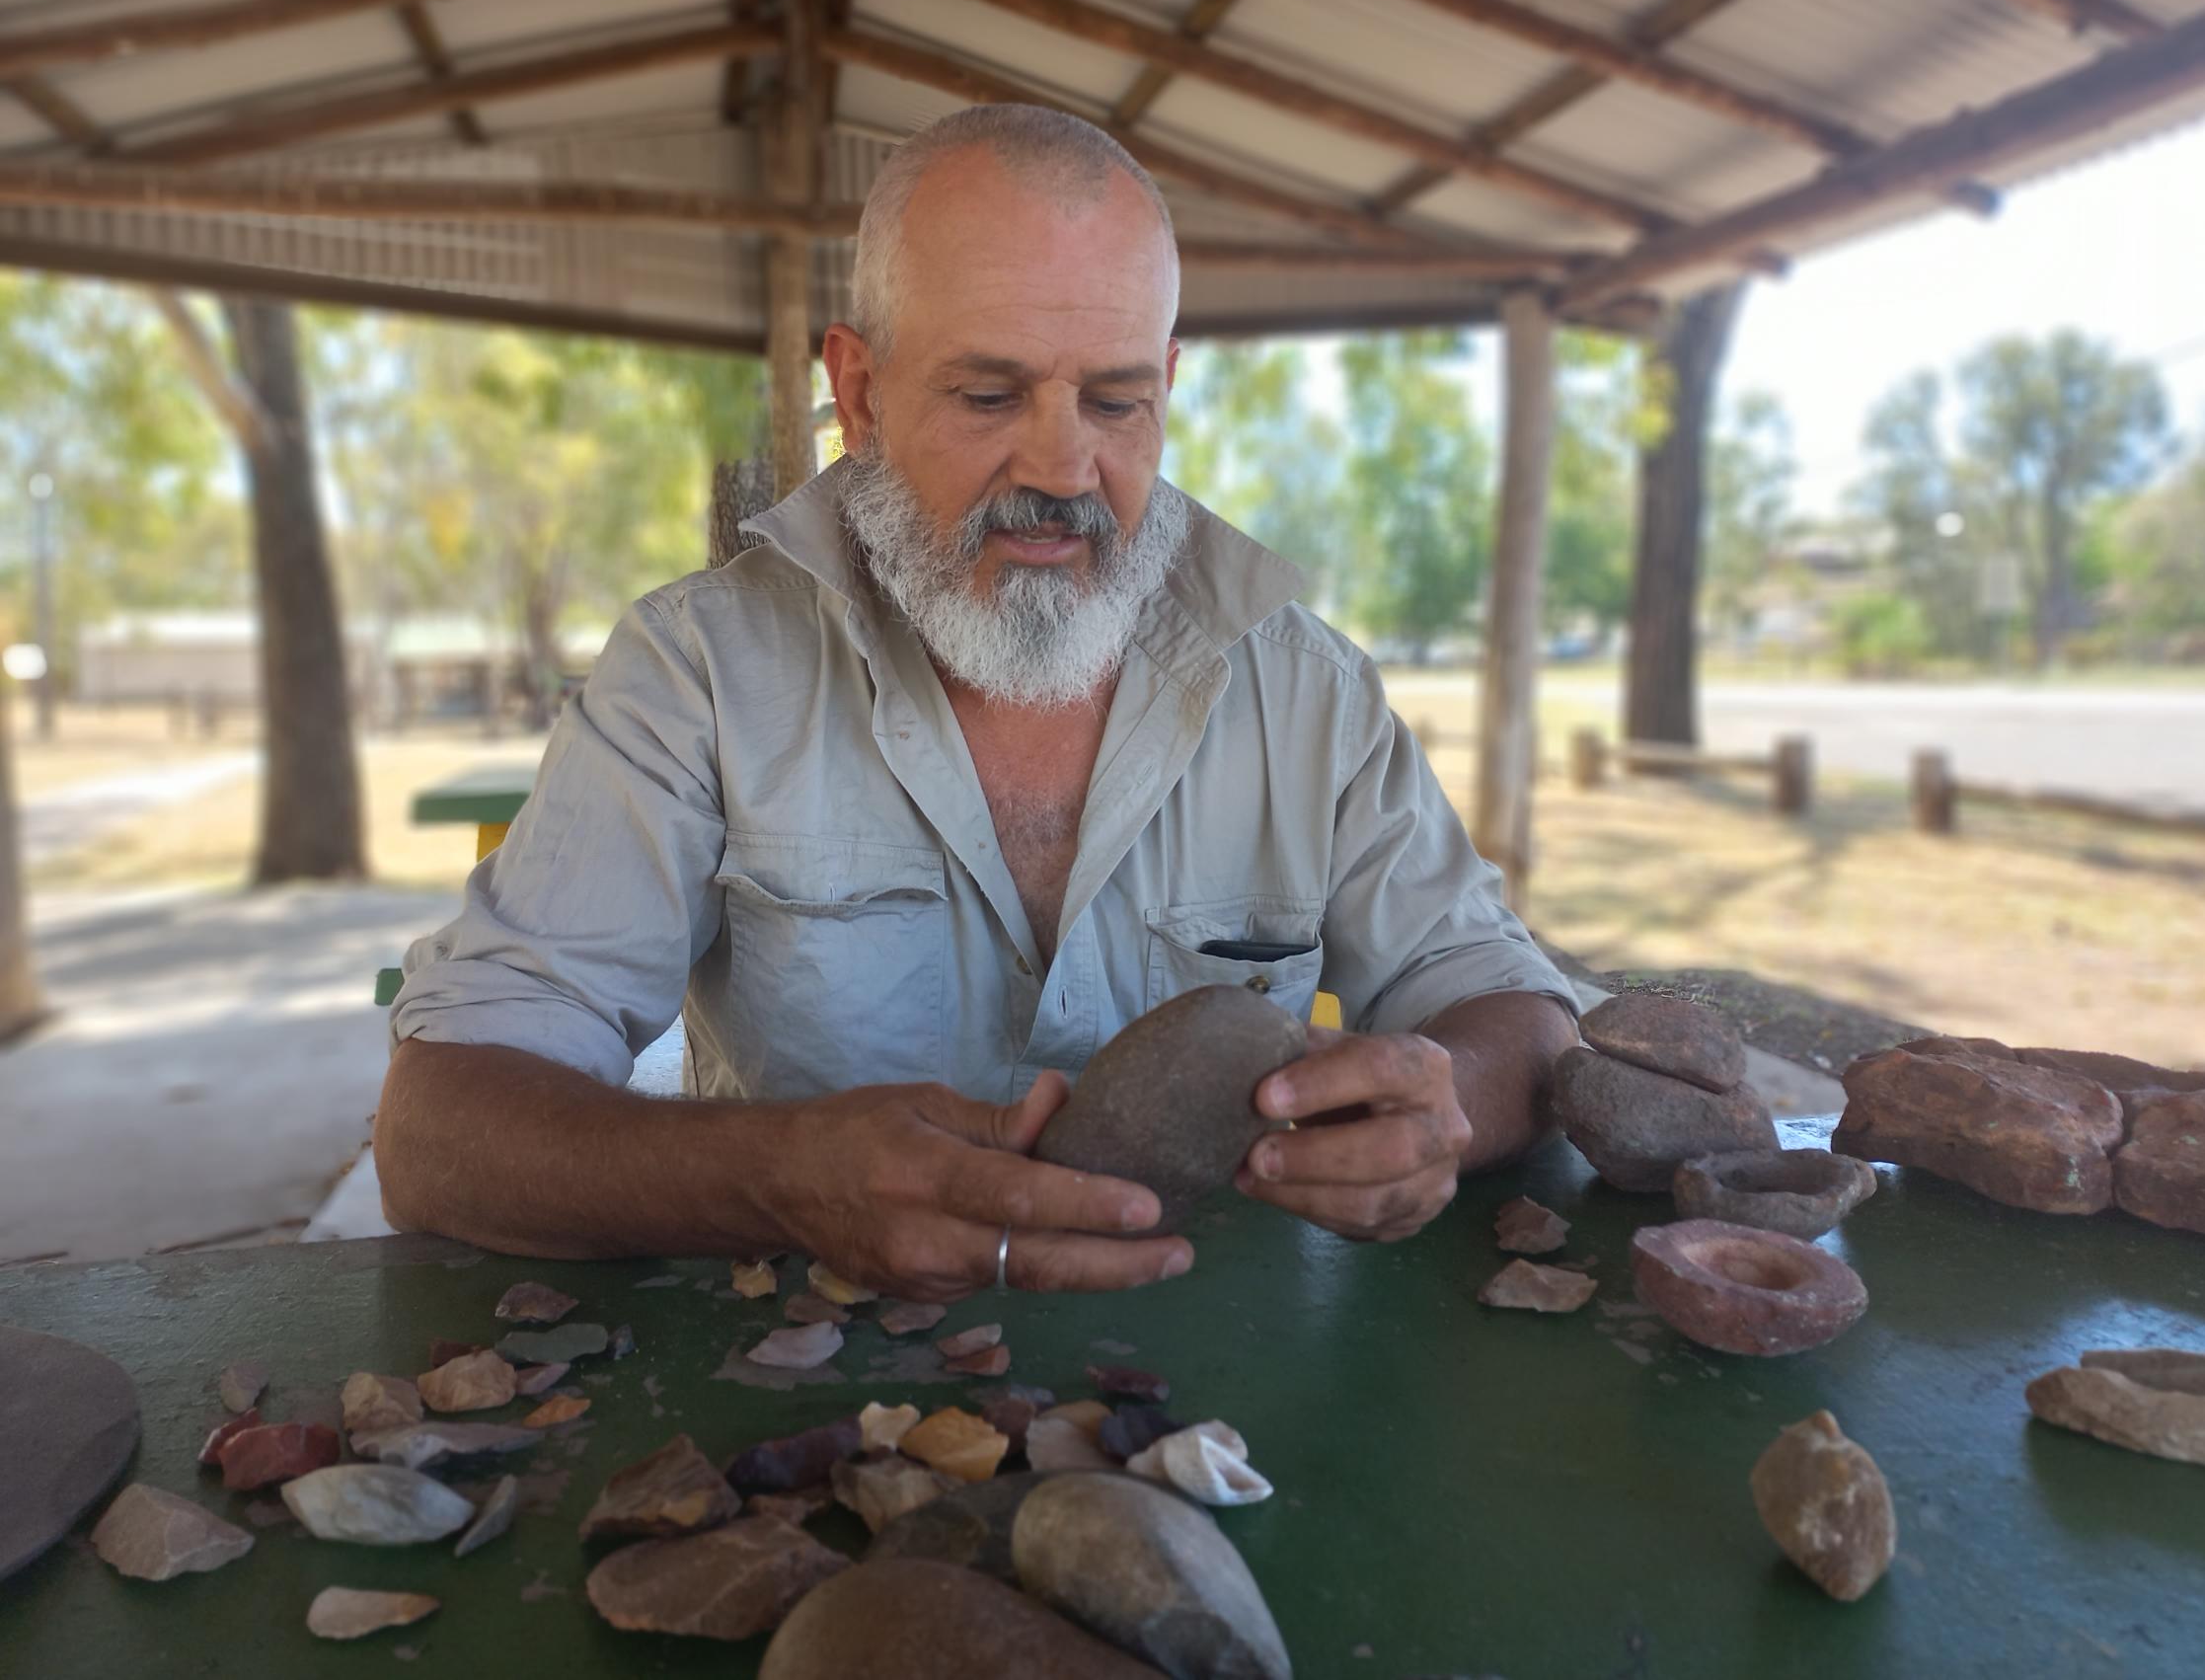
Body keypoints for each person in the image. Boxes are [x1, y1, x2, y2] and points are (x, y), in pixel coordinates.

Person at [375, 105, 1579, 1298]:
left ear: (1166, 384)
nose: (1062, 473)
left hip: (1233, 1391)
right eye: (988, 396)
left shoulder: (1301, 689)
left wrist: (1442, 1112)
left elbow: (1508, 1008)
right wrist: (778, 1176)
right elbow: (440, 1133)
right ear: (857, 390)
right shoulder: (699, 674)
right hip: (811, 1394)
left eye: (1113, 403)